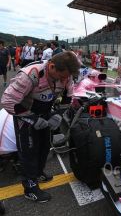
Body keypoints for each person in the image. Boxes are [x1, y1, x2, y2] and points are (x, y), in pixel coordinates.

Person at [1, 51, 80, 203]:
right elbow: (7, 101)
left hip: (45, 113)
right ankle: (30, 188)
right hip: (25, 116)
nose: (65, 80)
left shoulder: (67, 74)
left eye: (67, 77)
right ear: (51, 66)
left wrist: (58, 114)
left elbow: (69, 96)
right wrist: (31, 118)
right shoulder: (31, 74)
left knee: (44, 146)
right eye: (62, 76)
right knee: (29, 151)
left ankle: (37, 173)